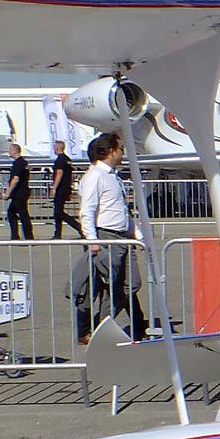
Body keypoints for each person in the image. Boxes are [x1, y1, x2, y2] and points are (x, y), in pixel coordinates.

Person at [77, 132, 145, 342]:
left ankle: (105, 325)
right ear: (109, 151)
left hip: (122, 236)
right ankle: (101, 327)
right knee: (110, 285)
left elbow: (122, 209)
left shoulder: (112, 176)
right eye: (120, 148)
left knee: (129, 284)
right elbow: (87, 210)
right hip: (106, 236)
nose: (122, 153)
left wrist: (137, 235)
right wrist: (93, 240)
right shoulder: (94, 176)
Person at [48, 139, 78, 238]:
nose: (53, 149)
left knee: (59, 212)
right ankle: (57, 233)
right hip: (65, 187)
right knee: (57, 212)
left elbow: (59, 174)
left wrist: (54, 188)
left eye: (54, 147)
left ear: (57, 148)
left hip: (61, 188)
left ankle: (78, 227)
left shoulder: (60, 160)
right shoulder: (67, 159)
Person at [4, 142, 34, 239]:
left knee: (22, 214)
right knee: (12, 213)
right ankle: (16, 235)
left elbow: (16, 179)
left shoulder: (19, 163)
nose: (9, 152)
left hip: (19, 193)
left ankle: (27, 237)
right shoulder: (23, 163)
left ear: (14, 151)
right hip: (21, 193)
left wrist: (8, 192)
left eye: (10, 150)